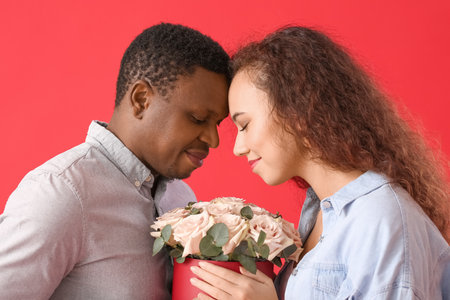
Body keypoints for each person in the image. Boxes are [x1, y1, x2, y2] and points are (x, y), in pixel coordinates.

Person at [190, 26, 450, 299]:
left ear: (298, 111)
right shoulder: (319, 214)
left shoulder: (380, 219)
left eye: (244, 125)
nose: (237, 148)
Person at [0, 23, 230, 299]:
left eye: (217, 124)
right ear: (141, 99)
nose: (214, 140)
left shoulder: (181, 197)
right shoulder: (61, 193)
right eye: (198, 119)